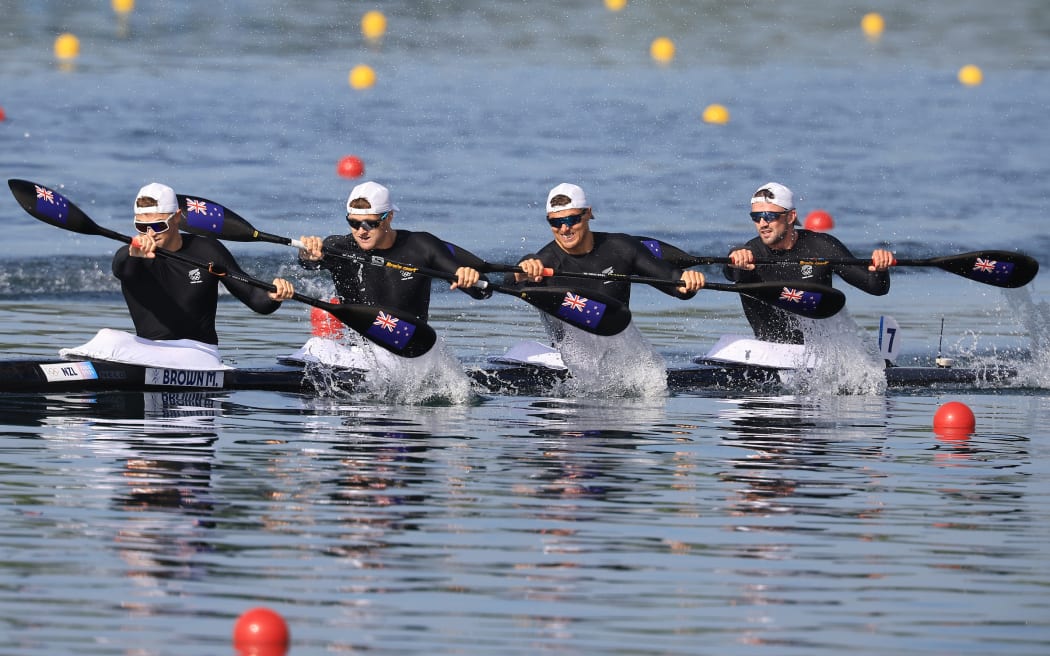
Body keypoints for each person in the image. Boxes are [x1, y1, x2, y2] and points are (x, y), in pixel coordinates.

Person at [62, 182, 295, 369]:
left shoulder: (207, 250)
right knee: (107, 336)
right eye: (141, 227)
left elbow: (256, 300)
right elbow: (121, 268)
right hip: (147, 352)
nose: (150, 234)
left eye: (158, 225)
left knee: (110, 341)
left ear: (177, 218)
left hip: (198, 354)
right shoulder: (132, 255)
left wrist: (274, 296)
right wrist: (133, 253)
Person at [509, 183, 705, 389]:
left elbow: (672, 281)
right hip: (570, 363)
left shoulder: (620, 248)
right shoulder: (545, 262)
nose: (564, 229)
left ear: (588, 214)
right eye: (556, 222)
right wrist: (523, 269)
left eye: (571, 220)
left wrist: (687, 283)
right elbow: (510, 281)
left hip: (620, 354)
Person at [724, 181, 893, 344]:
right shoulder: (751, 252)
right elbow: (732, 274)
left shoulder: (822, 247)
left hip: (821, 353)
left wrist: (880, 269)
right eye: (756, 217)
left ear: (791, 216)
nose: (762, 224)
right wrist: (733, 259)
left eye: (770, 216)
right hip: (769, 350)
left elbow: (875, 287)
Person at [297, 180, 489, 322]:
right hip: (359, 352)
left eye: (370, 223)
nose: (361, 231)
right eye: (353, 223)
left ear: (389, 217)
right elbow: (309, 264)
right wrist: (307, 254)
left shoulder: (420, 246)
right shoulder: (338, 248)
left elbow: (482, 292)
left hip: (411, 349)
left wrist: (469, 277)